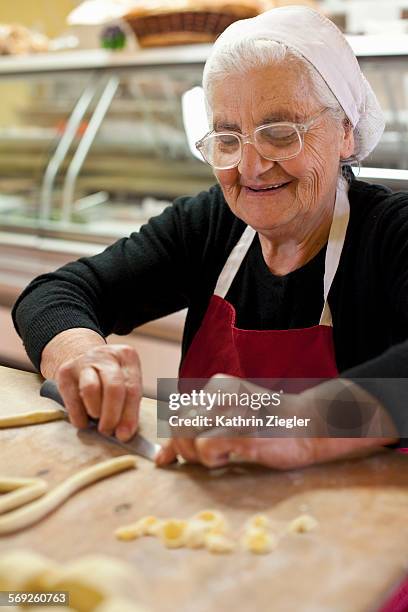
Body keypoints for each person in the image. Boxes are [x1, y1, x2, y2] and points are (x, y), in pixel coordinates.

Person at [13, 6, 408, 469]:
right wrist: (81, 357)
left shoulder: (390, 234)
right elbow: (54, 293)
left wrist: (301, 423)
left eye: (280, 134)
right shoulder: (210, 224)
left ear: (344, 130)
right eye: (226, 138)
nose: (250, 166)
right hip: (210, 513)